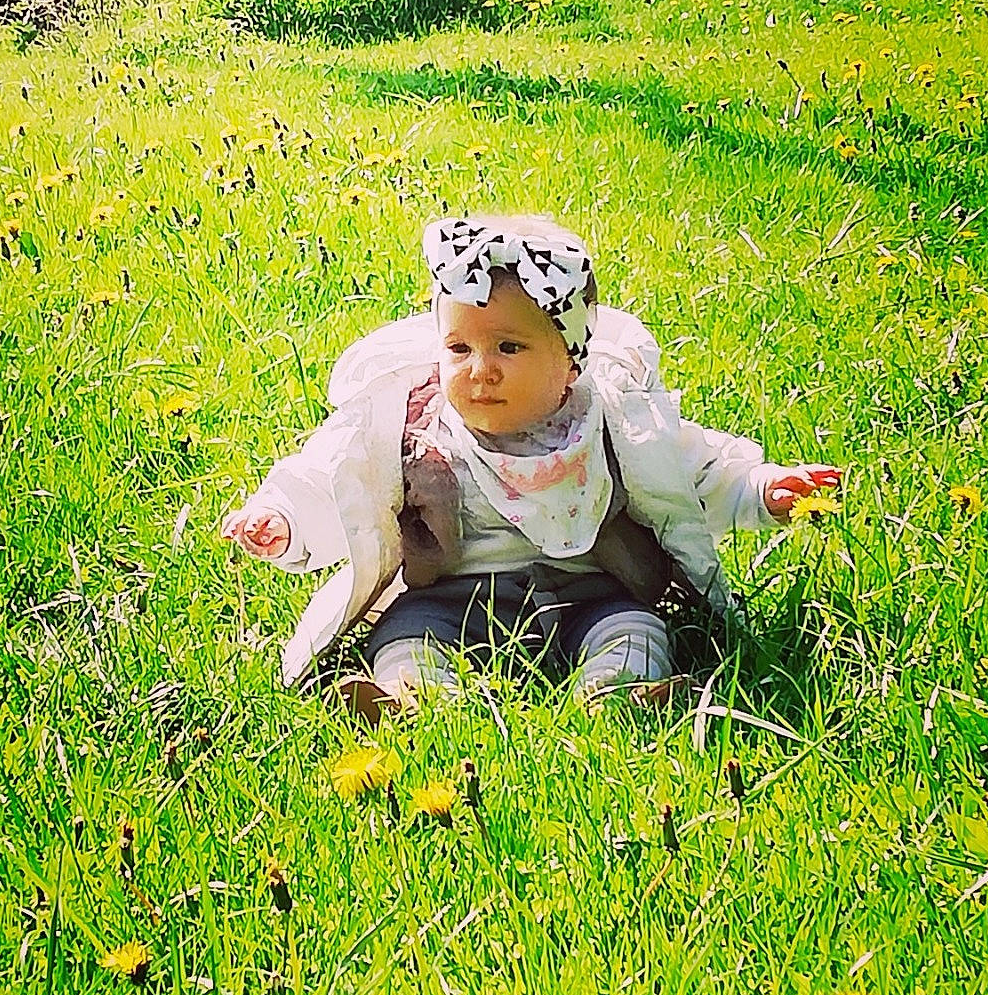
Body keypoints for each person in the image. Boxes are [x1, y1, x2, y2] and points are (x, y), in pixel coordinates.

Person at [221, 215, 841, 712]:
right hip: (452, 598)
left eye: (509, 347)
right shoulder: (413, 424)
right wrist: (281, 516)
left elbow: (695, 470)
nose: (479, 369)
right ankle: (419, 699)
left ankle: (617, 692)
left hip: (588, 590)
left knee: (634, 628)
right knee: (405, 636)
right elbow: (336, 475)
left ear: (572, 361)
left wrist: (763, 489)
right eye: (459, 347)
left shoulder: (610, 422)